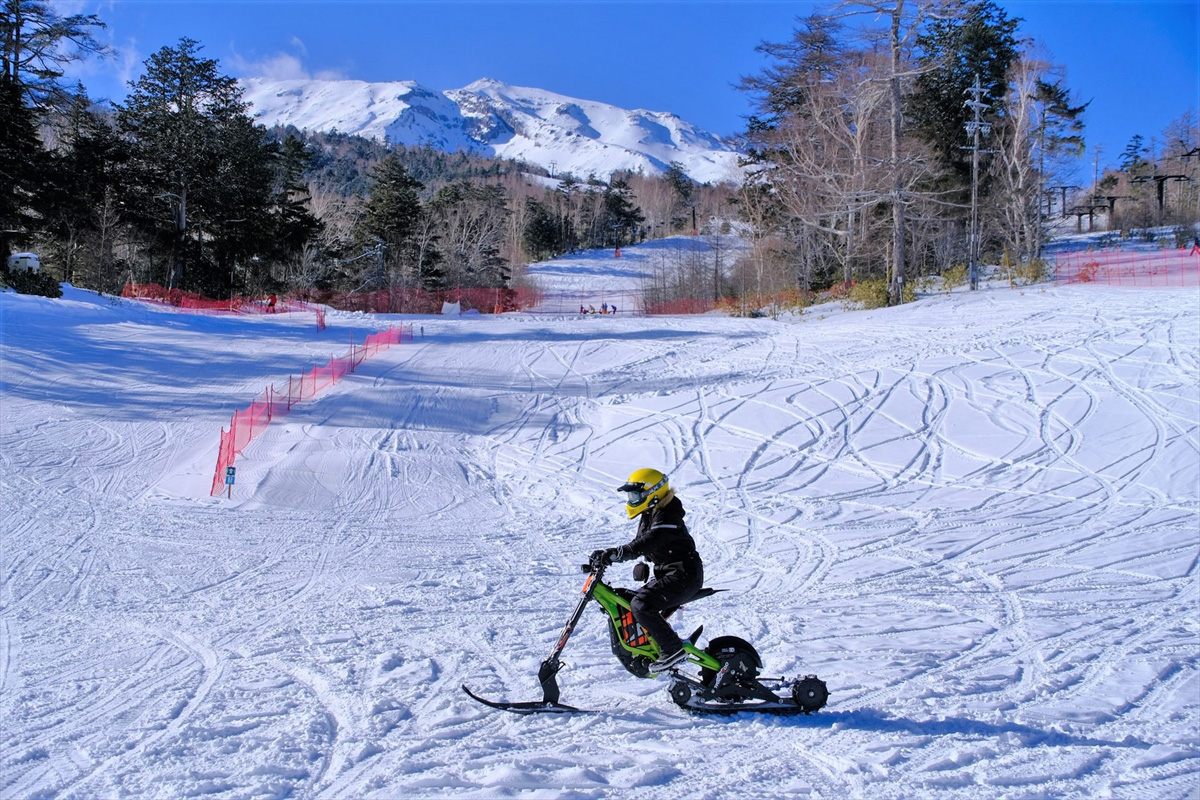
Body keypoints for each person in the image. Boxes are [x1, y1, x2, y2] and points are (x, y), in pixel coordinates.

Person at [590, 468, 703, 674]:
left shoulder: (669, 514)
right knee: (624, 598)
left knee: (641, 605)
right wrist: (608, 555)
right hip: (669, 574)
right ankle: (644, 650)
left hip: (684, 576)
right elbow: (640, 543)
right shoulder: (651, 513)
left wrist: (619, 553)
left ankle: (672, 649)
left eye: (635, 496)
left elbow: (650, 541)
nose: (631, 501)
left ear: (653, 493)